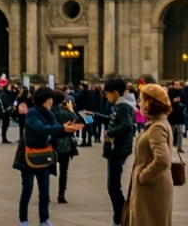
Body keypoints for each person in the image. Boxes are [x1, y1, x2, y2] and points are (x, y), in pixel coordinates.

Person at [15, 86, 83, 226]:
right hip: (28, 155)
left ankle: (44, 219)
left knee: (44, 192)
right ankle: (23, 220)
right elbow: (41, 129)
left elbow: (57, 129)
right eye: (49, 99)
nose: (51, 102)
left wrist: (69, 130)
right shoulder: (32, 113)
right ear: (42, 100)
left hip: (44, 154)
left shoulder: (49, 113)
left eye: (52, 99)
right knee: (27, 190)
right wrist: (63, 129)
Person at [123, 83, 174, 226]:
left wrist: (144, 176)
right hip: (152, 186)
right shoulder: (158, 123)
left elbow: (163, 159)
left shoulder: (157, 127)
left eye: (141, 100)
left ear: (149, 103)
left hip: (151, 188)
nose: (139, 103)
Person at [88, 78, 136, 226]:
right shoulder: (122, 105)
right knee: (114, 186)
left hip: (117, 150)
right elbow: (114, 119)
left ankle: (119, 219)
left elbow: (127, 126)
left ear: (115, 92)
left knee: (113, 187)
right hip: (119, 149)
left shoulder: (122, 106)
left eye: (107, 93)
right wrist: (95, 115)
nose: (106, 97)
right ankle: (120, 219)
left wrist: (110, 133)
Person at [50, 89, 82, 204]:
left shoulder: (48, 112)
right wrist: (71, 110)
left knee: (45, 170)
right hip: (64, 143)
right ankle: (61, 195)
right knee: (64, 171)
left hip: (49, 143)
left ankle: (45, 194)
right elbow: (77, 122)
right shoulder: (64, 112)